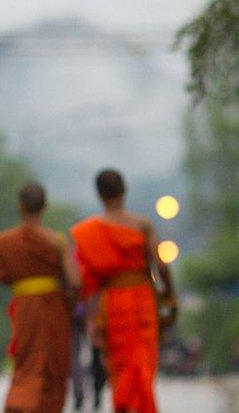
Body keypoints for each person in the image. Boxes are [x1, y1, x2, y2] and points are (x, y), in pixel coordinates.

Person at [69, 169, 173, 413]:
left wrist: (92, 320)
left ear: (99, 195)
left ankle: (125, 405)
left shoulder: (90, 231)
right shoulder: (142, 224)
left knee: (121, 364)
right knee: (143, 363)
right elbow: (161, 265)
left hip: (113, 304)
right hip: (142, 300)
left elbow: (90, 282)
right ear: (124, 191)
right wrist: (169, 292)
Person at [0, 182, 81, 413]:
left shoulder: (4, 242)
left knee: (26, 359)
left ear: (19, 206)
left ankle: (19, 403)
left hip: (24, 307)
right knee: (52, 363)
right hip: (54, 308)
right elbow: (75, 281)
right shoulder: (57, 241)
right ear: (45, 207)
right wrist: (70, 304)